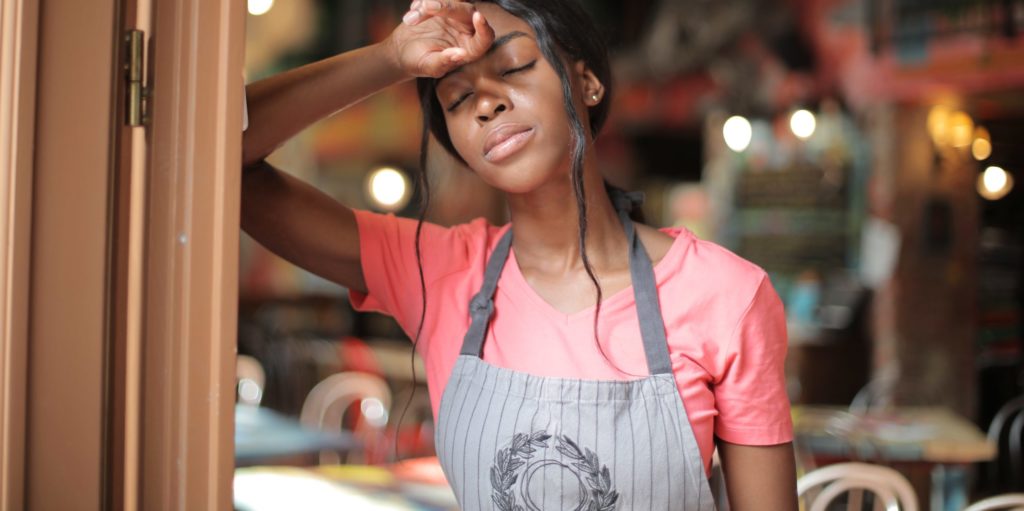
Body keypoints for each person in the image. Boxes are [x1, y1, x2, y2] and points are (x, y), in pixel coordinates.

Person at [241, 0, 797, 509]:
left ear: (587, 82)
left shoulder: (725, 295)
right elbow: (225, 157)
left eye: (512, 69)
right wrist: (390, 58)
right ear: (457, 144)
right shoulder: (439, 272)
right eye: (457, 99)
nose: (487, 102)